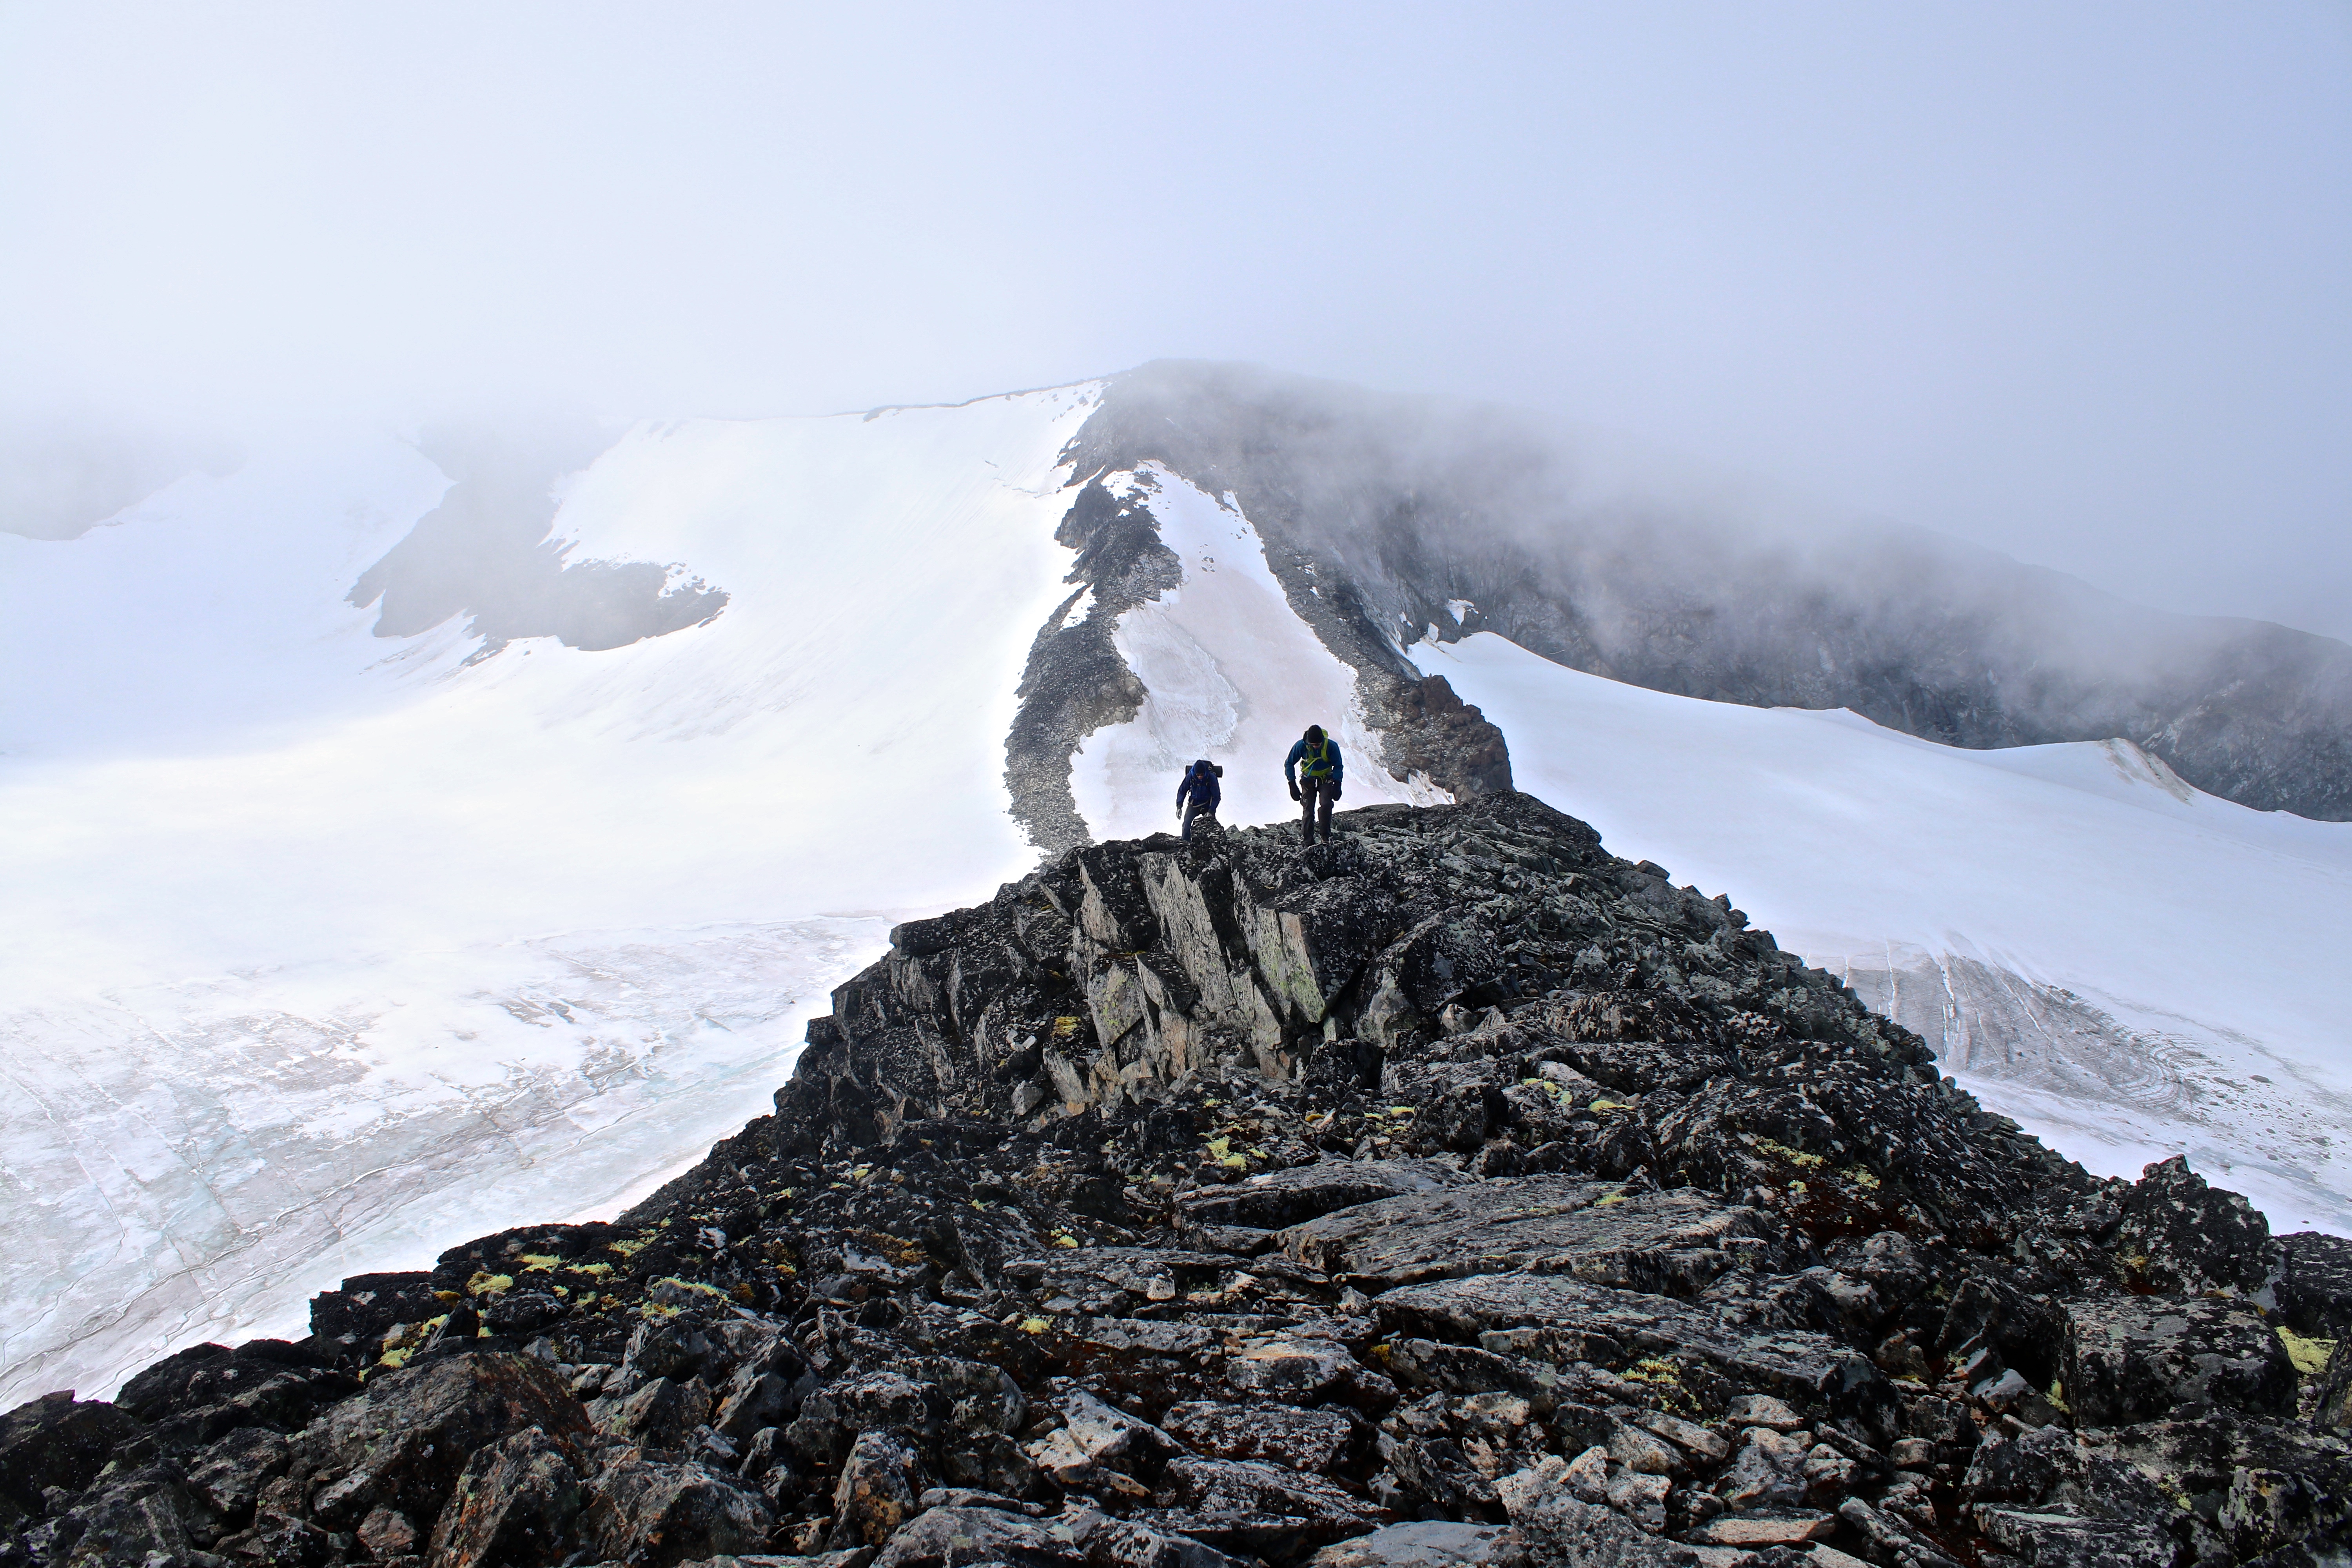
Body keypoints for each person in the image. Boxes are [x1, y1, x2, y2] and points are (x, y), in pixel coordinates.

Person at [1284, 724, 1343, 846]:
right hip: (1308, 781)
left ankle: (1325, 837)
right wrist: (1292, 783)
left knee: (1326, 805)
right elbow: (1289, 763)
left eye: (1318, 744)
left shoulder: (1331, 746)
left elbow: (1338, 766)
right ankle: (1308, 842)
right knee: (1308, 811)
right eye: (1313, 745)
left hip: (1325, 779)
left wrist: (1338, 784)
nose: (1316, 746)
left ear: (1323, 740)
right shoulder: (1301, 746)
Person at [1176, 757, 1223, 842]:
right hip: (1194, 805)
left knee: (1212, 828)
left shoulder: (1211, 777)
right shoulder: (1190, 776)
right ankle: (1186, 844)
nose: (1200, 777)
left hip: (1208, 805)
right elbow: (1182, 791)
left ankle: (1212, 847)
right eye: (1198, 775)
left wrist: (1211, 811)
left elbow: (1217, 797)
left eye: (1202, 775)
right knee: (1186, 824)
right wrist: (1179, 806)